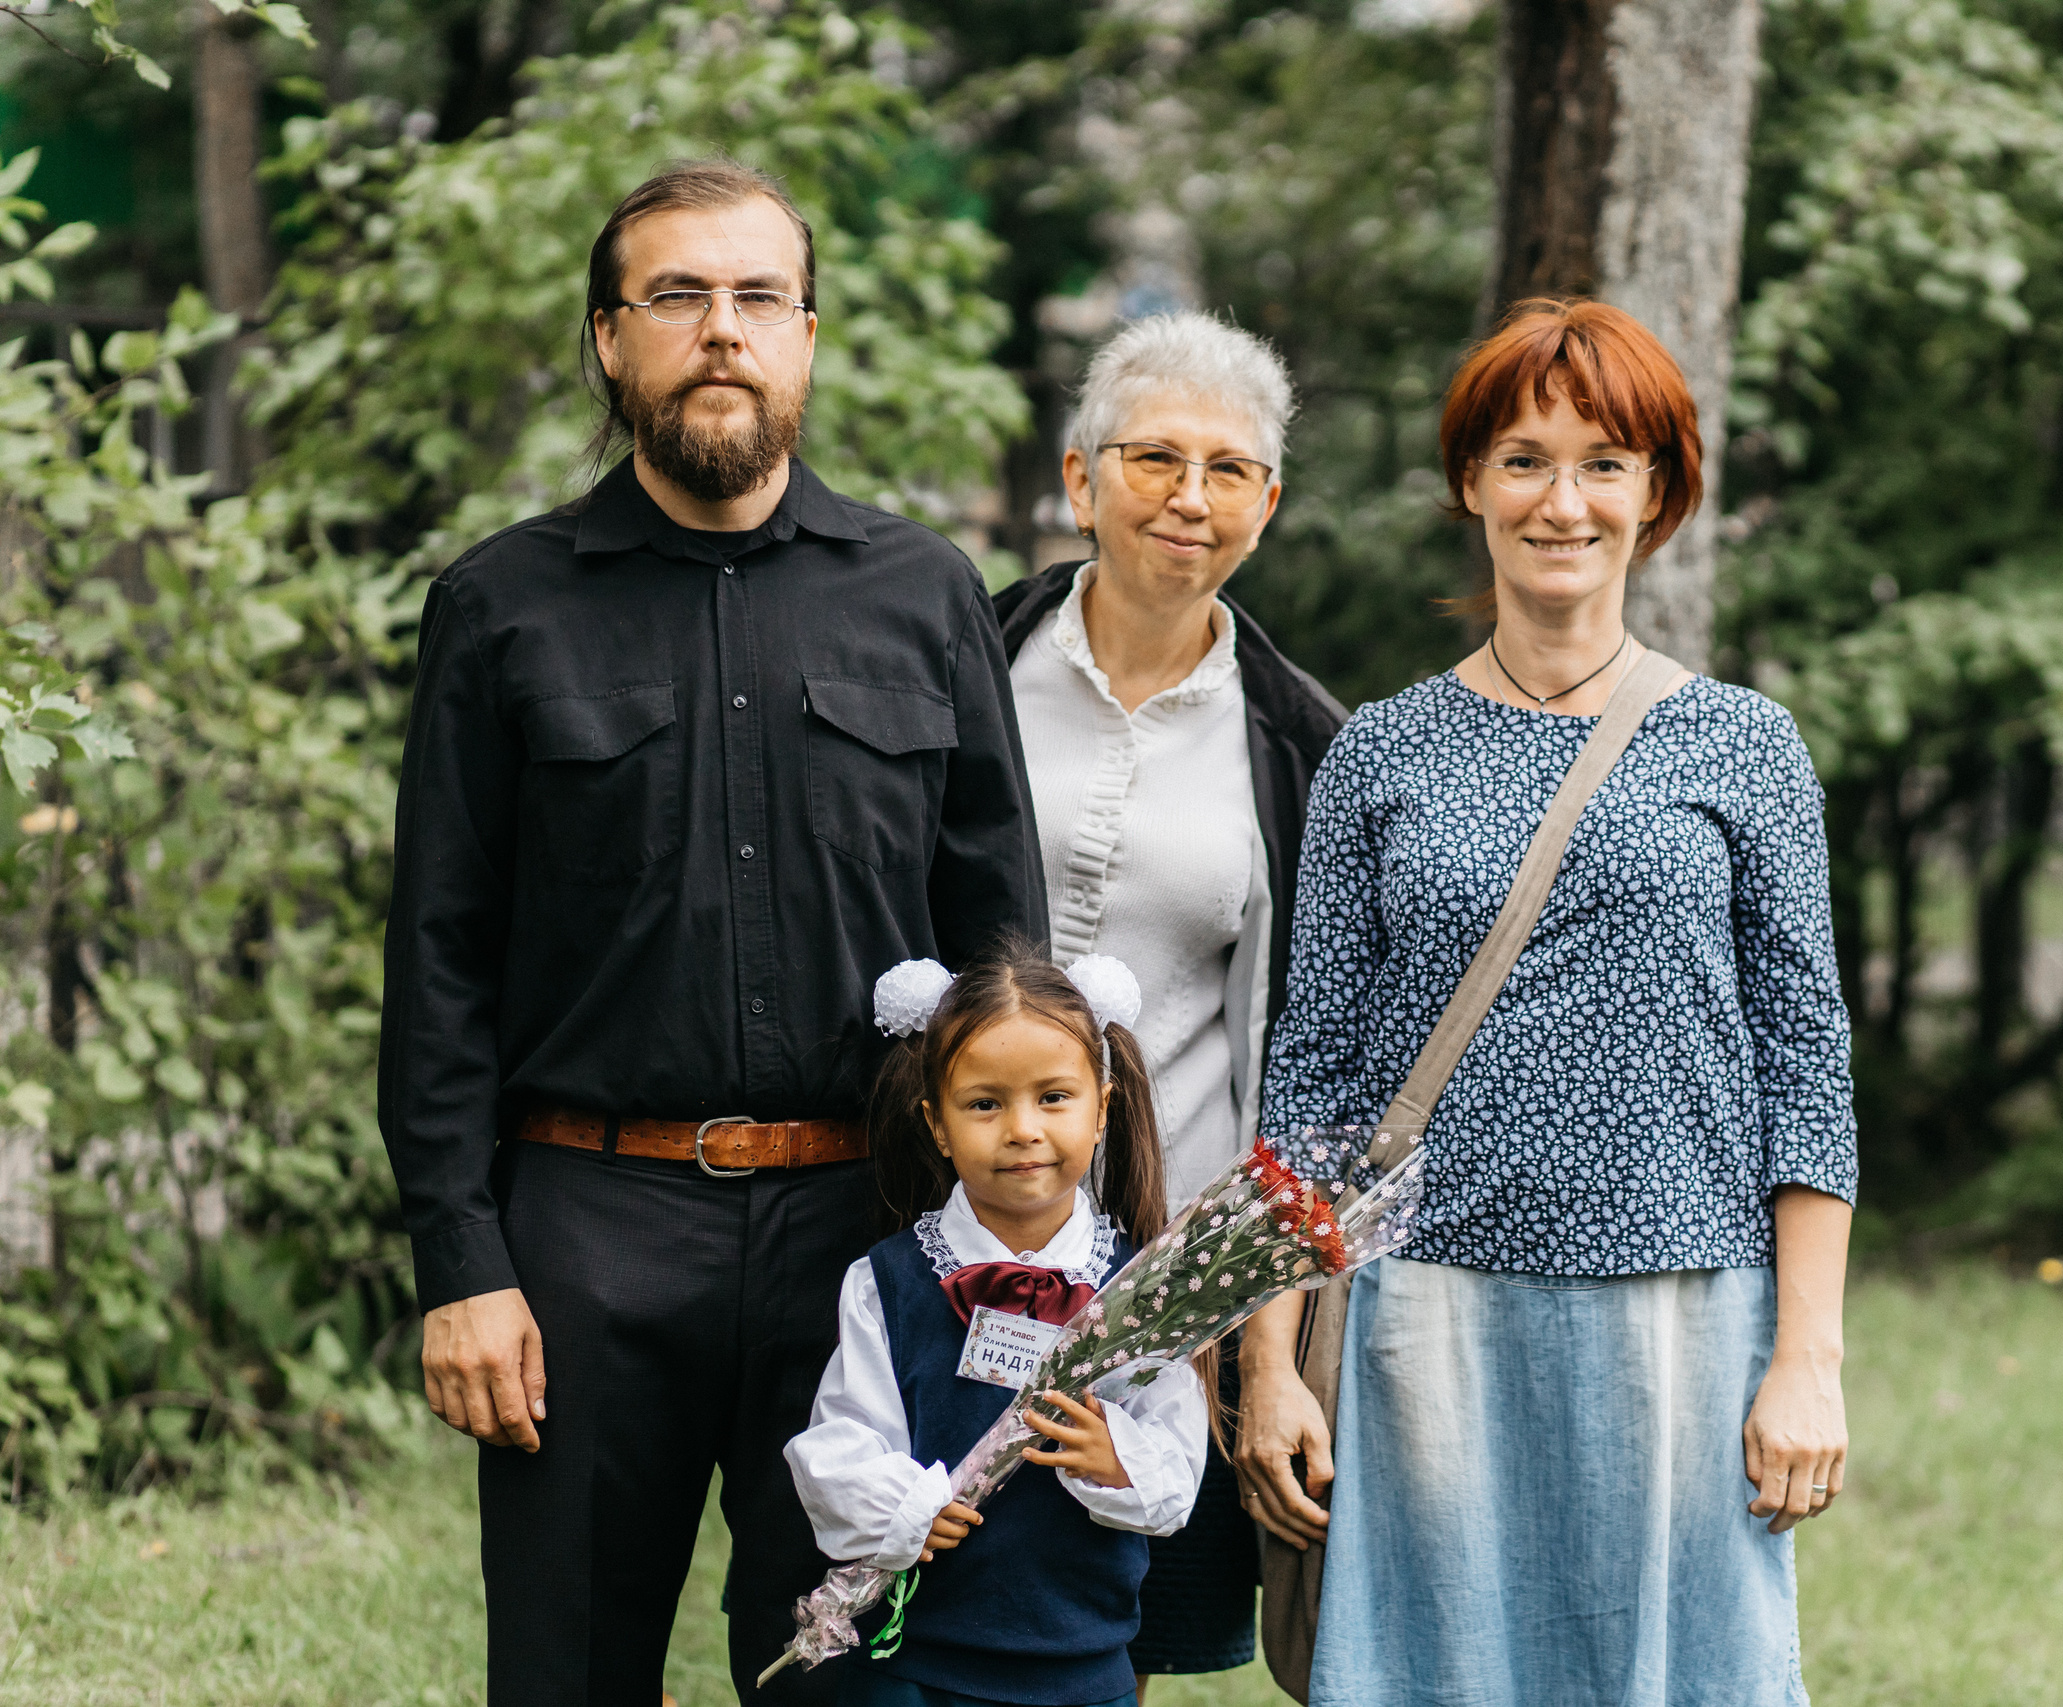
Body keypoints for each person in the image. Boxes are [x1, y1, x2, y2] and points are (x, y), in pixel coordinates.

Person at [377, 159, 1044, 1705]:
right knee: (567, 1668)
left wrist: (1002, 1230)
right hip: (584, 1232)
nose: (720, 330)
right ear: (611, 340)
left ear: (807, 336)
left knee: (838, 1669)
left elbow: (1000, 945)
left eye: (757, 298)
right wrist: (460, 1258)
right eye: (677, 296)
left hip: (860, 1235)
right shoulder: (502, 606)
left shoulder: (926, 594)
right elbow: (442, 959)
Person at [1238, 298, 1859, 1707]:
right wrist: (1269, 1362)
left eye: (1604, 461)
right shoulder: (1379, 753)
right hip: (1424, 1322)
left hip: (1684, 1319)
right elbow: (1313, 1082)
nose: (1561, 500)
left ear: (1658, 492)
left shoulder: (1745, 745)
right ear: (1469, 481)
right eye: (1524, 458)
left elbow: (1809, 1076)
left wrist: (1806, 1361)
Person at [990, 312, 1347, 1683]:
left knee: (1102, 1646)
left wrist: (1262, 1348)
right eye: (1154, 457)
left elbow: (1299, 1070)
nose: (1188, 496)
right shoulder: (965, 665)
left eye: (1229, 468)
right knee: (908, 1597)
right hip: (940, 1250)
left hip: (1166, 1282)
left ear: (1267, 504)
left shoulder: (1304, 741)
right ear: (1082, 478)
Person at [786, 946, 1208, 1707]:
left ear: (1103, 1106)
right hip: (917, 1671)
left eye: (1053, 1097)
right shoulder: (889, 1283)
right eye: (985, 1103)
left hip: (1081, 1668)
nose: (1022, 1128)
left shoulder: (1143, 1293)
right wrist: (906, 1506)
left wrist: (1119, 1456)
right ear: (937, 1123)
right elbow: (838, 1445)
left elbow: (1176, 1473)